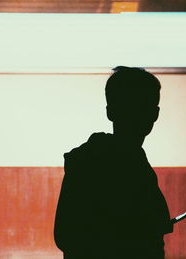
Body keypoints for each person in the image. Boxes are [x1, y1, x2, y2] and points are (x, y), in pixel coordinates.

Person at [54, 66, 173, 259]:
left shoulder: (85, 160)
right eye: (132, 107)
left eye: (141, 107)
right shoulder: (133, 165)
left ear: (110, 112)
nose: (136, 115)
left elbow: (65, 234)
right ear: (155, 114)